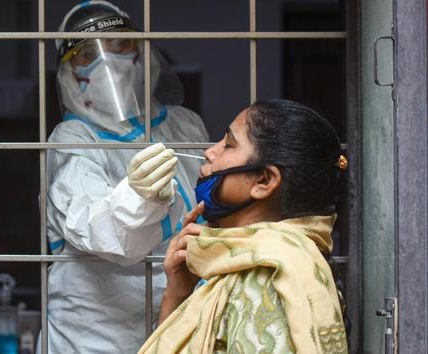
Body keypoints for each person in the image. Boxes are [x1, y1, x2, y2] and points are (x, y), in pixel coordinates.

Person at [43, 1, 209, 352]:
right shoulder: (73, 139)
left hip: (179, 325)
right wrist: (140, 197)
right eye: (88, 54)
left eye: (121, 46)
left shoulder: (184, 125)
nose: (109, 60)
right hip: (92, 337)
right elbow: (104, 234)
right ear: (69, 73)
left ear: (143, 52)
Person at [139, 99, 349, 353]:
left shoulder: (269, 279)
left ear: (264, 180)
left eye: (228, 145)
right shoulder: (265, 260)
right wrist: (177, 293)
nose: (210, 152)